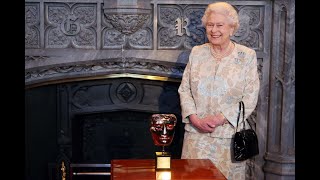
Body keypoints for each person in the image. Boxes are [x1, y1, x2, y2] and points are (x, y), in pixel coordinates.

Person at [178, 2, 260, 180]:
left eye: (219, 25)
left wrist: (220, 118)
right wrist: (194, 118)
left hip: (228, 139)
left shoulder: (246, 56)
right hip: (195, 137)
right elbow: (184, 89)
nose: (214, 30)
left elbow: (250, 97)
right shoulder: (197, 52)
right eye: (210, 25)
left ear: (232, 28)